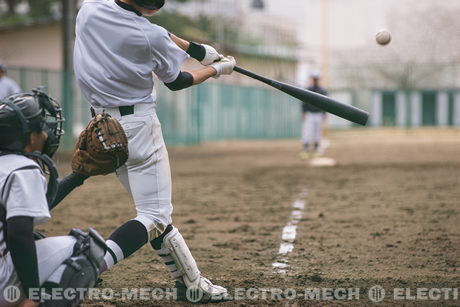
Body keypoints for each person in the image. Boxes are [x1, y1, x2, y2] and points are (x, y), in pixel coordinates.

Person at [73, 0, 236, 302]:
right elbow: (177, 81)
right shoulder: (151, 36)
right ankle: (89, 266)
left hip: (102, 125)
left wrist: (197, 50)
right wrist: (216, 69)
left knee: (155, 212)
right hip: (138, 127)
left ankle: (191, 284)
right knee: (154, 215)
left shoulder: (90, 8)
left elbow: (152, 30)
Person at [0, 90, 107, 306]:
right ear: (31, 137)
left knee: (35, 238)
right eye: (42, 128)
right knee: (86, 247)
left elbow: (34, 205)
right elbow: (19, 235)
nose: (47, 134)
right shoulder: (23, 168)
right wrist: (32, 294)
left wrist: (79, 177)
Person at [300, 73, 328, 159]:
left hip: (318, 114)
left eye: (316, 79)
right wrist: (304, 112)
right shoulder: (308, 89)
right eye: (314, 79)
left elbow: (326, 103)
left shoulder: (322, 90)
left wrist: (324, 113)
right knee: (307, 133)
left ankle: (316, 150)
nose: (315, 80)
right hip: (309, 114)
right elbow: (304, 102)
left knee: (317, 133)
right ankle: (305, 150)